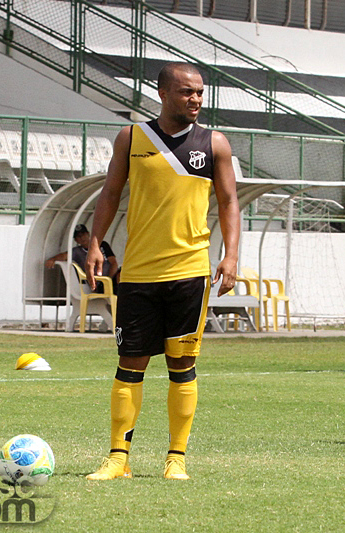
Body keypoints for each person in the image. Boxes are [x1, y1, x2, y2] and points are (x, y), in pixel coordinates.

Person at [84, 62, 240, 481]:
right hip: (138, 272)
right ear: (163, 93)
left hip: (190, 271)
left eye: (200, 92)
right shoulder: (132, 137)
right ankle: (118, 459)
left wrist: (230, 256)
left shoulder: (214, 143)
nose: (195, 99)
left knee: (181, 366)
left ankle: (177, 459)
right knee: (129, 363)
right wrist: (96, 243)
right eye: (187, 92)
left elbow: (229, 201)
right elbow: (110, 193)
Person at [45, 224, 120, 292]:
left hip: (111, 278)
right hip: (98, 283)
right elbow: (64, 256)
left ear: (88, 234)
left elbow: (113, 263)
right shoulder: (77, 251)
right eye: (78, 236)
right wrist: (53, 259)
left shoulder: (102, 245)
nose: (82, 238)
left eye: (83, 234)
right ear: (75, 240)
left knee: (121, 273)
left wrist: (109, 279)